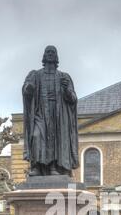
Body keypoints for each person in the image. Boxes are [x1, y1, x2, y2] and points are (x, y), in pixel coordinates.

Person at [22, 45, 79, 176]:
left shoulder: (64, 76)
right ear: (44, 56)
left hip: (58, 113)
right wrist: (28, 88)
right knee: (37, 136)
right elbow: (26, 91)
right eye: (47, 52)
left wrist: (66, 90)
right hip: (40, 112)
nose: (50, 54)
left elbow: (73, 99)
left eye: (52, 52)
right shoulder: (35, 75)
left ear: (56, 56)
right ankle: (36, 166)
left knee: (55, 139)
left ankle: (54, 167)